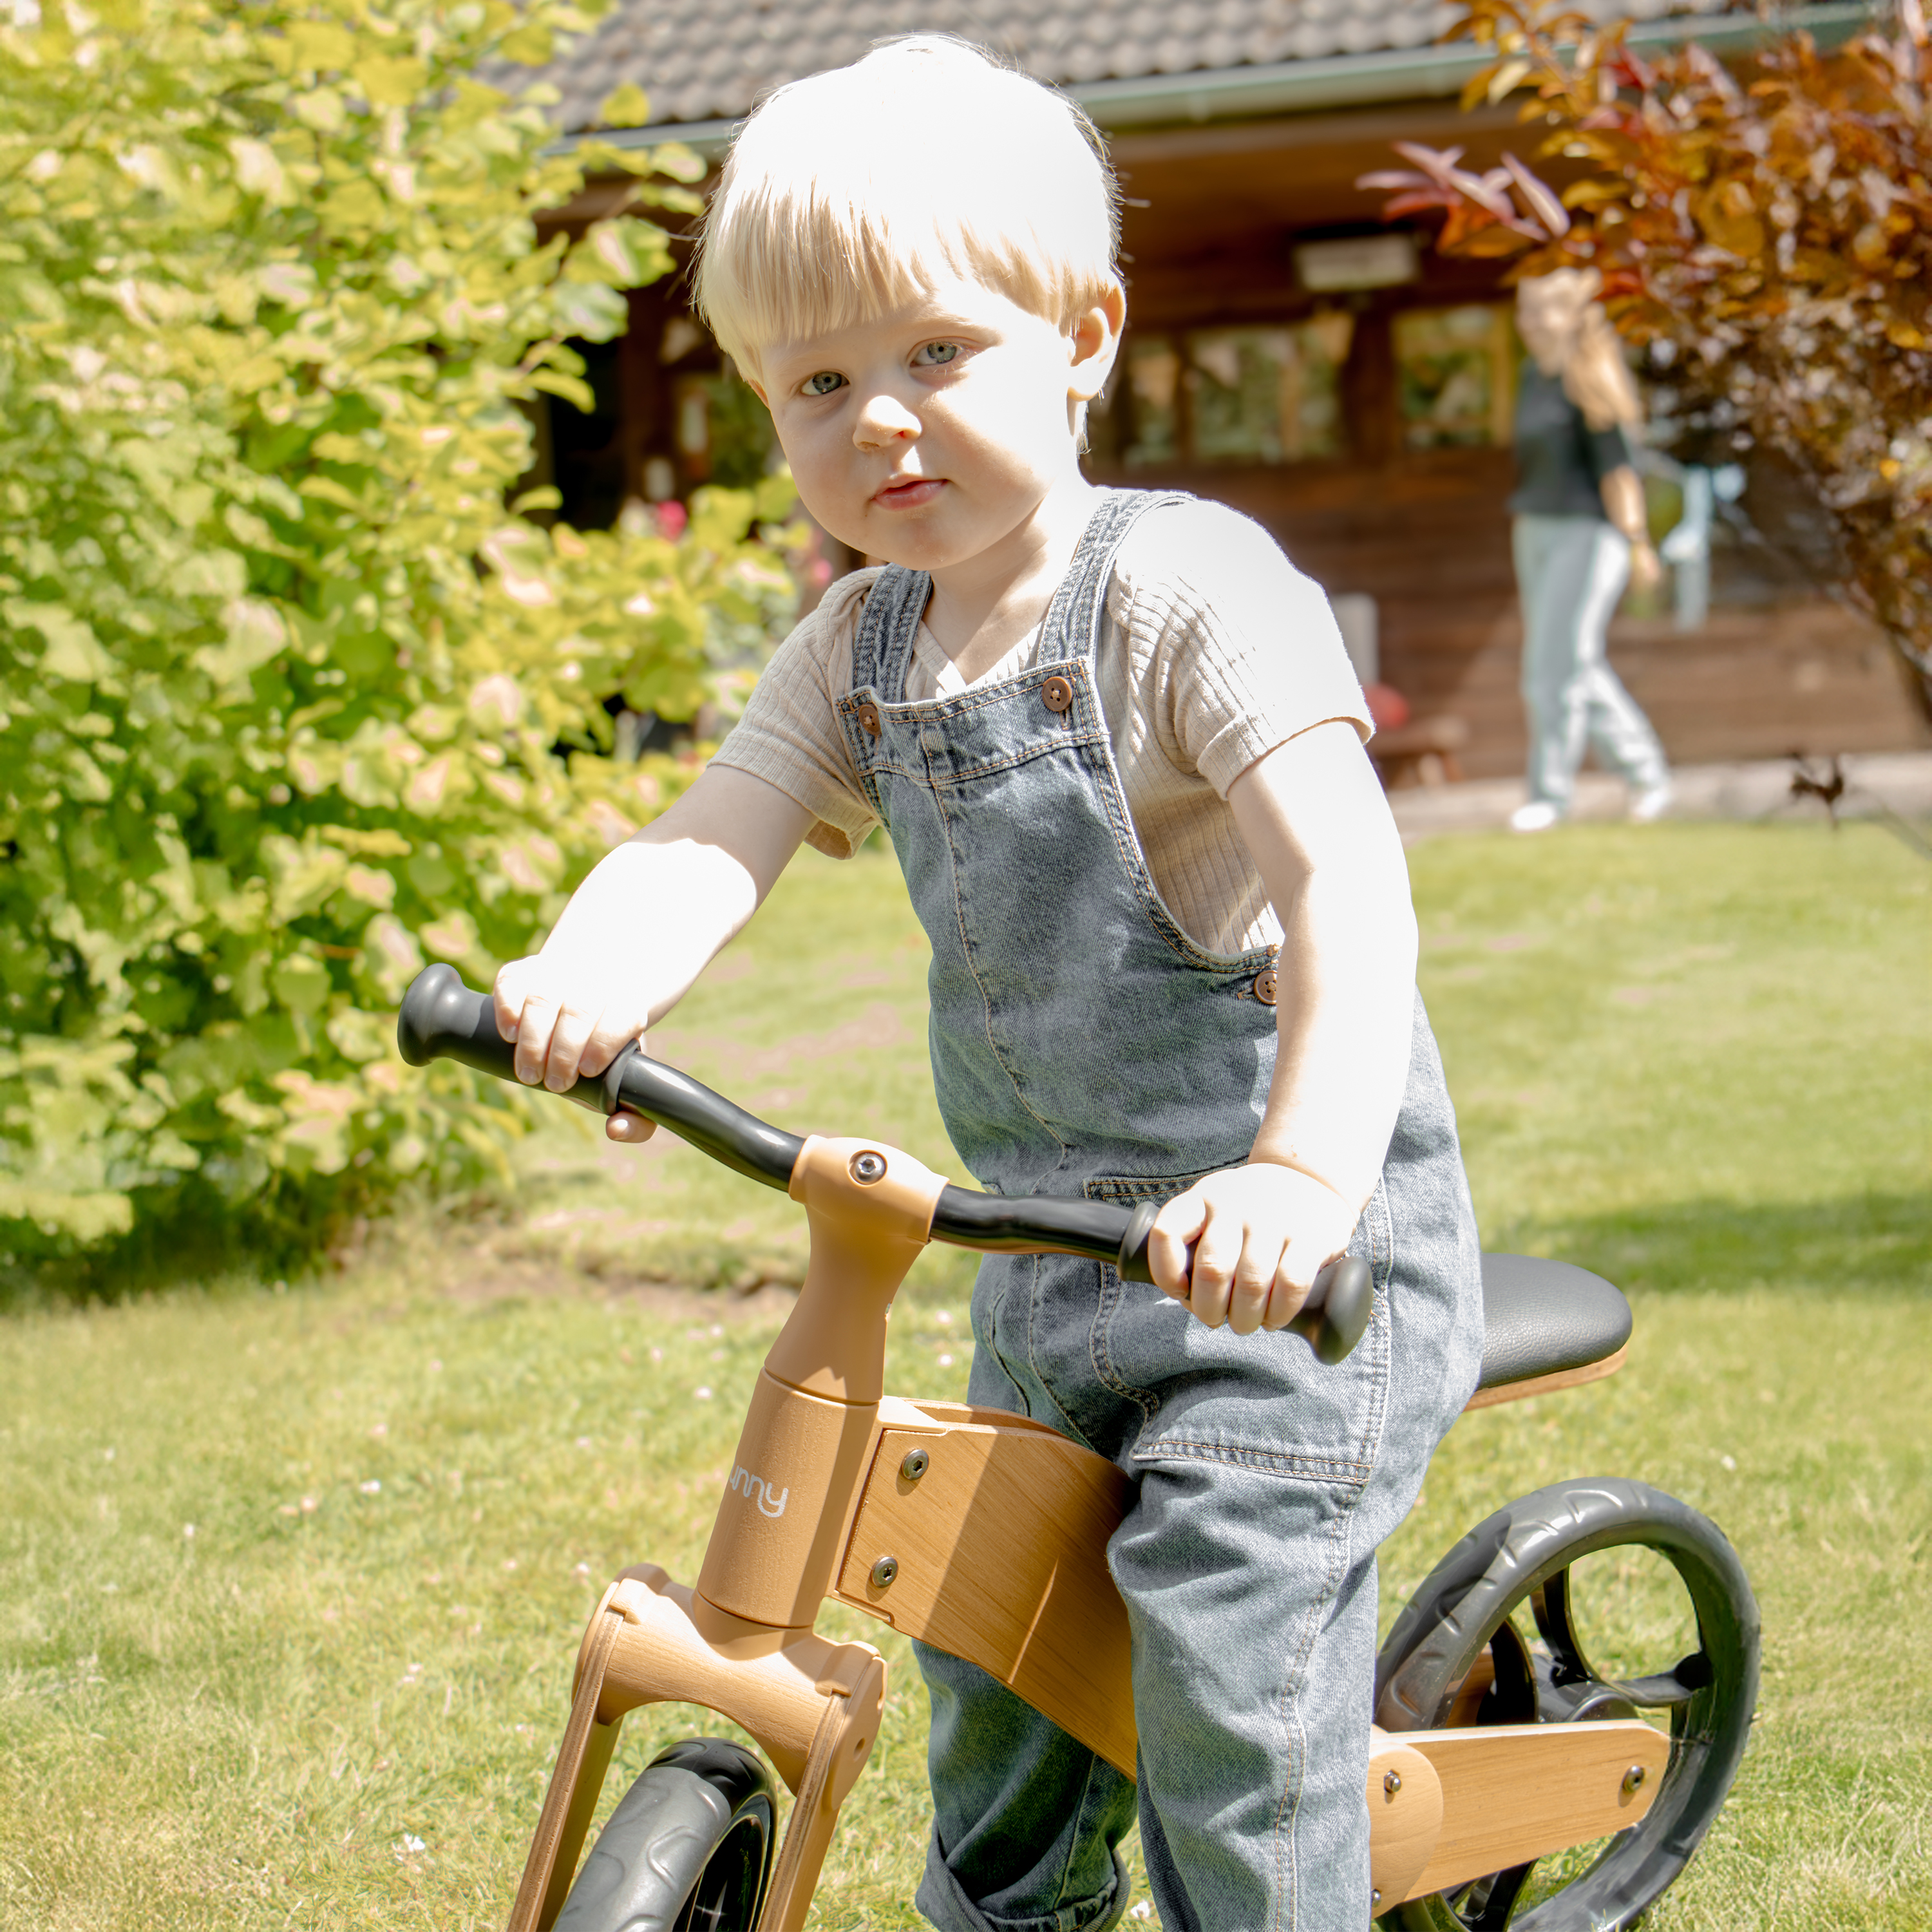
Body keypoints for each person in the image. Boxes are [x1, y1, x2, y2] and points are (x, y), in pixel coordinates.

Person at [493, 37, 1482, 1931]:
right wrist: (587, 977)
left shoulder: (1189, 592)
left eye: (933, 352)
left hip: (1289, 1291)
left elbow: (1346, 884)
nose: (878, 417)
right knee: (985, 1634)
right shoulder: (859, 644)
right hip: (1051, 1273)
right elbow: (717, 829)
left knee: (1218, 1636)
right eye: (818, 380)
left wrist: (1295, 1176)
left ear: (1081, 330)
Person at [1508, 269, 1673, 833]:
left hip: (1588, 533)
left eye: (1541, 310)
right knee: (1573, 664)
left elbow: (1620, 471)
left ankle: (1549, 797)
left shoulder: (1589, 376)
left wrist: (1637, 542)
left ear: (1572, 315)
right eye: (1523, 310)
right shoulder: (1532, 376)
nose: (1529, 322)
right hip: (1533, 529)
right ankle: (1647, 773)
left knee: (1551, 672)